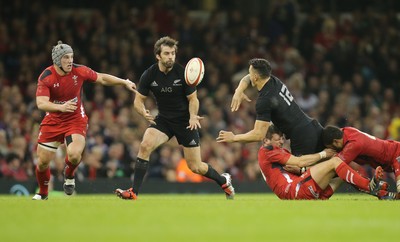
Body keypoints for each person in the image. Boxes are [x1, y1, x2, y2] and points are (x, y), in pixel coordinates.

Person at [114, 36, 235, 200]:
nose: (171, 56)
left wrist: (193, 116)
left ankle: (223, 181)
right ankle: (133, 192)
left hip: (185, 122)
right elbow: (138, 101)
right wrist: (143, 112)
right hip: (163, 120)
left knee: (196, 167)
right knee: (145, 145)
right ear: (158, 55)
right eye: (167, 53)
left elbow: (193, 99)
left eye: (173, 53)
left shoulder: (183, 73)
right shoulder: (149, 74)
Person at [32, 41, 136, 200]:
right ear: (57, 60)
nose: (70, 61)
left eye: (71, 57)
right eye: (66, 57)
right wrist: (61, 107)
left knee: (74, 155)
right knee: (42, 163)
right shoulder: (46, 76)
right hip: (53, 121)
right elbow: (41, 103)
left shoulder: (79, 71)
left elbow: (101, 78)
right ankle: (43, 193)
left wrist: (124, 82)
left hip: (75, 119)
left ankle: (69, 174)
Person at [217, 58, 324, 156]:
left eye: (250, 73)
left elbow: (258, 135)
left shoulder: (264, 100)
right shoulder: (273, 80)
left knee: (301, 175)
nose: (249, 75)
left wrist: (234, 138)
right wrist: (239, 90)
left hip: (303, 138)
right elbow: (248, 77)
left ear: (256, 77)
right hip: (312, 127)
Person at [259, 125, 394, 200]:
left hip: (301, 188)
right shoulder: (268, 150)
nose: (281, 142)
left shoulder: (276, 153)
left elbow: (299, 167)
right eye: (278, 139)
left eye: (282, 139)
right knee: (336, 162)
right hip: (295, 190)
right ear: (266, 141)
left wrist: (301, 170)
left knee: (342, 172)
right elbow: (300, 162)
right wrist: (323, 154)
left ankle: (378, 192)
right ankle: (370, 186)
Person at [322, 125, 400, 199]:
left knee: (345, 173)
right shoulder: (345, 132)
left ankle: (376, 187)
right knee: (348, 175)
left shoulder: (353, 144)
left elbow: (333, 165)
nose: (332, 151)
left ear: (336, 142)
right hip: (390, 158)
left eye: (331, 148)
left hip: (397, 152)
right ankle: (382, 192)